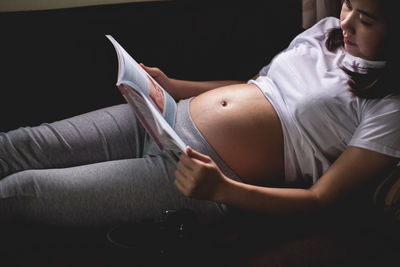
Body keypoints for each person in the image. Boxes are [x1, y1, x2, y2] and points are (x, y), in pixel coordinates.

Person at [0, 0, 399, 227]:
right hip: (164, 115)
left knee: (23, 190)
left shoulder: (390, 107)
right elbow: (253, 88)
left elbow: (321, 199)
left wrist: (222, 190)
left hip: (197, 174)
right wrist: (173, 87)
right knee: (19, 145)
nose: (345, 20)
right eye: (348, 3)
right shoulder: (325, 31)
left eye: (366, 18)